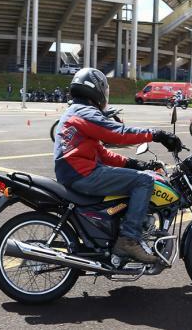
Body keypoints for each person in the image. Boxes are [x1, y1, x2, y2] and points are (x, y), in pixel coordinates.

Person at [54, 68, 182, 263]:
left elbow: (101, 153)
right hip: (82, 173)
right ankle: (129, 240)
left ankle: (115, 234)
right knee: (144, 181)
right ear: (97, 90)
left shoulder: (76, 110)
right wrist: (157, 134)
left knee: (139, 176)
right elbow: (117, 133)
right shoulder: (85, 112)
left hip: (76, 171)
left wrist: (134, 164)